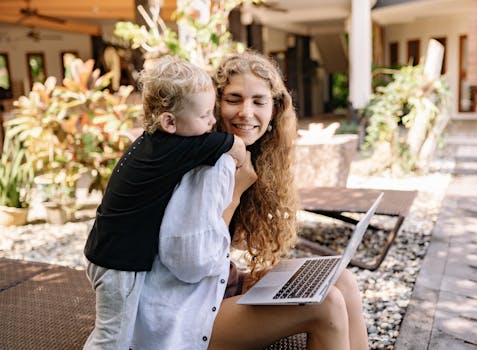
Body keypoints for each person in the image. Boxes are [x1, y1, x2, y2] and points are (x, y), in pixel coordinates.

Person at [133, 51, 369, 350]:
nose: (246, 112)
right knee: (325, 304)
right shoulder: (203, 161)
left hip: (211, 290)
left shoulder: (241, 155)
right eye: (234, 99)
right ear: (215, 104)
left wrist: (245, 279)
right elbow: (190, 262)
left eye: (259, 101)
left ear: (274, 110)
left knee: (341, 279)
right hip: (177, 316)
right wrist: (235, 194)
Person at [82, 55, 245, 350]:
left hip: (105, 254)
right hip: (119, 264)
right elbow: (229, 143)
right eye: (205, 115)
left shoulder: (152, 143)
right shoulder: (169, 149)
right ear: (169, 121)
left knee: (113, 331)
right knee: (112, 339)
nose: (212, 121)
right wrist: (240, 153)